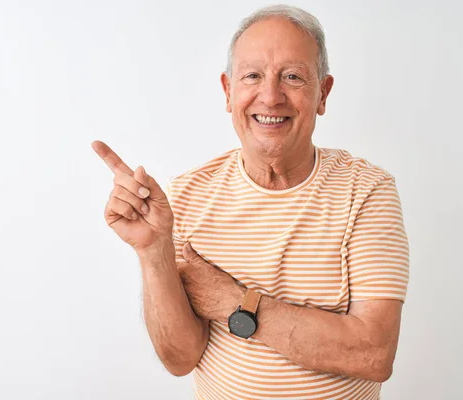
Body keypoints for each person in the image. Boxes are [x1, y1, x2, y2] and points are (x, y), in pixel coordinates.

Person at [92, 4, 409, 399]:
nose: (271, 96)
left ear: (322, 94)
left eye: (292, 76)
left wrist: (233, 301)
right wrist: (153, 252)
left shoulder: (367, 190)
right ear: (229, 91)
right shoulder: (188, 193)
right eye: (252, 76)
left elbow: (373, 354)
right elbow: (180, 359)